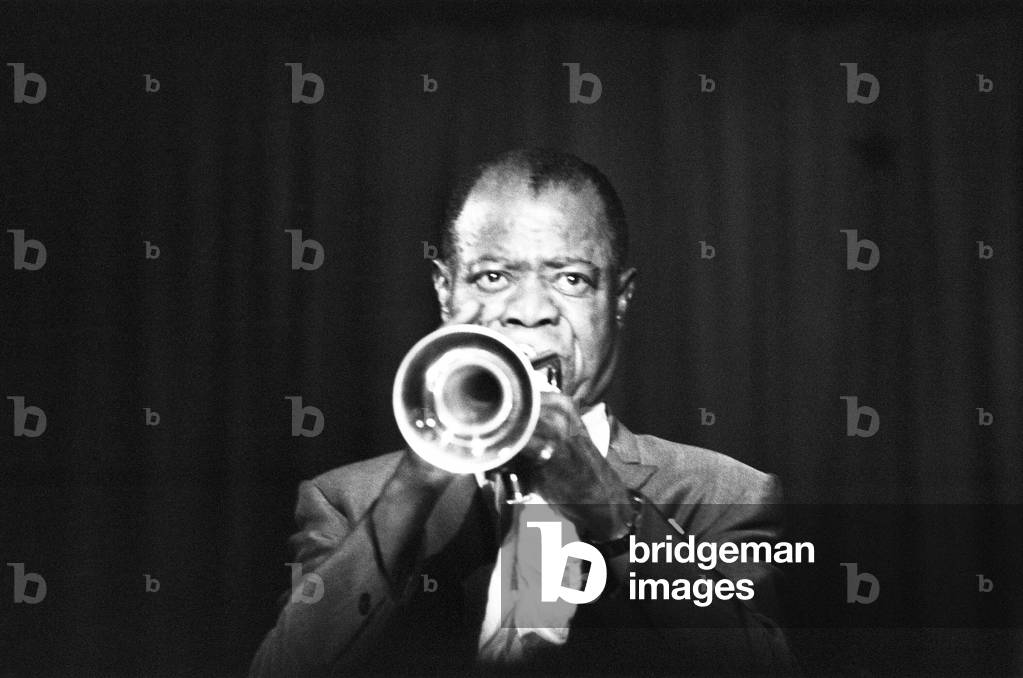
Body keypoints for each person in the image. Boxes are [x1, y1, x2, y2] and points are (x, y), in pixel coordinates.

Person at [250, 149, 798, 677]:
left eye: (571, 279)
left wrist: (606, 511)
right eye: (493, 276)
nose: (530, 313)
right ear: (445, 291)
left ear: (621, 298)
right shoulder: (346, 501)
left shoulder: (724, 494)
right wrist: (416, 483)